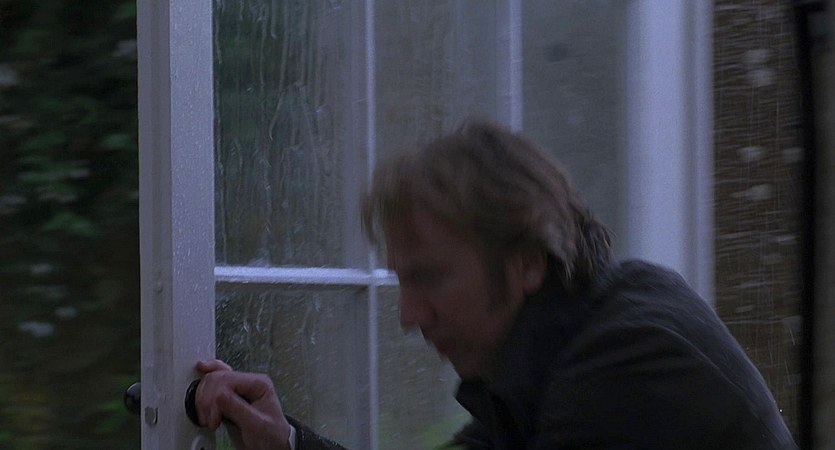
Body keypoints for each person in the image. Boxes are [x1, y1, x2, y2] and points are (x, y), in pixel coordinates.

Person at [194, 121, 798, 449]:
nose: (409, 315)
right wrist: (285, 444)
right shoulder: (561, 346)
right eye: (403, 281)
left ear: (527, 263)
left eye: (430, 278)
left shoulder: (628, 363)